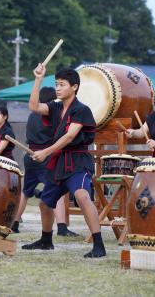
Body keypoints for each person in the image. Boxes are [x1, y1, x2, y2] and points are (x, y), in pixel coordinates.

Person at [22, 65, 106, 258]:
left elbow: (69, 137)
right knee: (45, 203)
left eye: (62, 85)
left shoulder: (81, 110)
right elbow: (33, 106)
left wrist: (45, 152)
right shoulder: (55, 107)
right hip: (59, 163)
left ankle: (98, 245)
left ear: (74, 87)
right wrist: (38, 79)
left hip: (77, 161)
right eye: (56, 84)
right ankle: (45, 240)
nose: (58, 88)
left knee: (83, 196)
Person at [12, 87, 78, 237]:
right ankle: (62, 227)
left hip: (30, 157)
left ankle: (14, 223)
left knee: (26, 192)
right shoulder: (51, 115)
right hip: (45, 156)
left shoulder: (32, 115)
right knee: (57, 190)